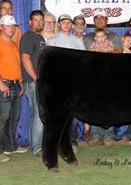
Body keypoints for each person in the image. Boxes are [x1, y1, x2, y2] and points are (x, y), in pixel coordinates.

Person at [0, 15, 26, 163]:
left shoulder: (14, 44)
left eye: (13, 25)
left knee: (14, 116)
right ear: (0, 27)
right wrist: (1, 83)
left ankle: (10, 146)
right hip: (2, 84)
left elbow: (15, 64)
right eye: (8, 25)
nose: (11, 28)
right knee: (1, 117)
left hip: (14, 83)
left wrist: (20, 81)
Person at [48, 14, 86, 149]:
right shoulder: (52, 42)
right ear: (59, 24)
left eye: (69, 22)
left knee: (74, 113)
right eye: (63, 22)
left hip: (75, 82)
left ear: (72, 25)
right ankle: (59, 141)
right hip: (59, 83)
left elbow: (83, 61)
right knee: (60, 113)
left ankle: (71, 139)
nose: (66, 24)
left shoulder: (78, 41)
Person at [20, 10, 45, 156]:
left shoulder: (39, 37)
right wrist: (36, 78)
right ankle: (36, 148)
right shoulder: (28, 37)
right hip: (33, 82)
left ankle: (36, 145)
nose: (39, 23)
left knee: (37, 114)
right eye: (36, 20)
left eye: (41, 20)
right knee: (38, 115)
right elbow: (25, 58)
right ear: (30, 22)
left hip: (39, 81)